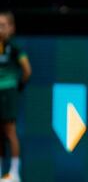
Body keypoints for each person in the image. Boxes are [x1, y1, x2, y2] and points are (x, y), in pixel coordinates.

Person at [0, 11, 32, 182]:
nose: (0, 29)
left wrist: (18, 85)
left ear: (11, 28)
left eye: (3, 25)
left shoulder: (14, 48)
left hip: (8, 92)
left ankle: (14, 173)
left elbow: (27, 70)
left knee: (9, 130)